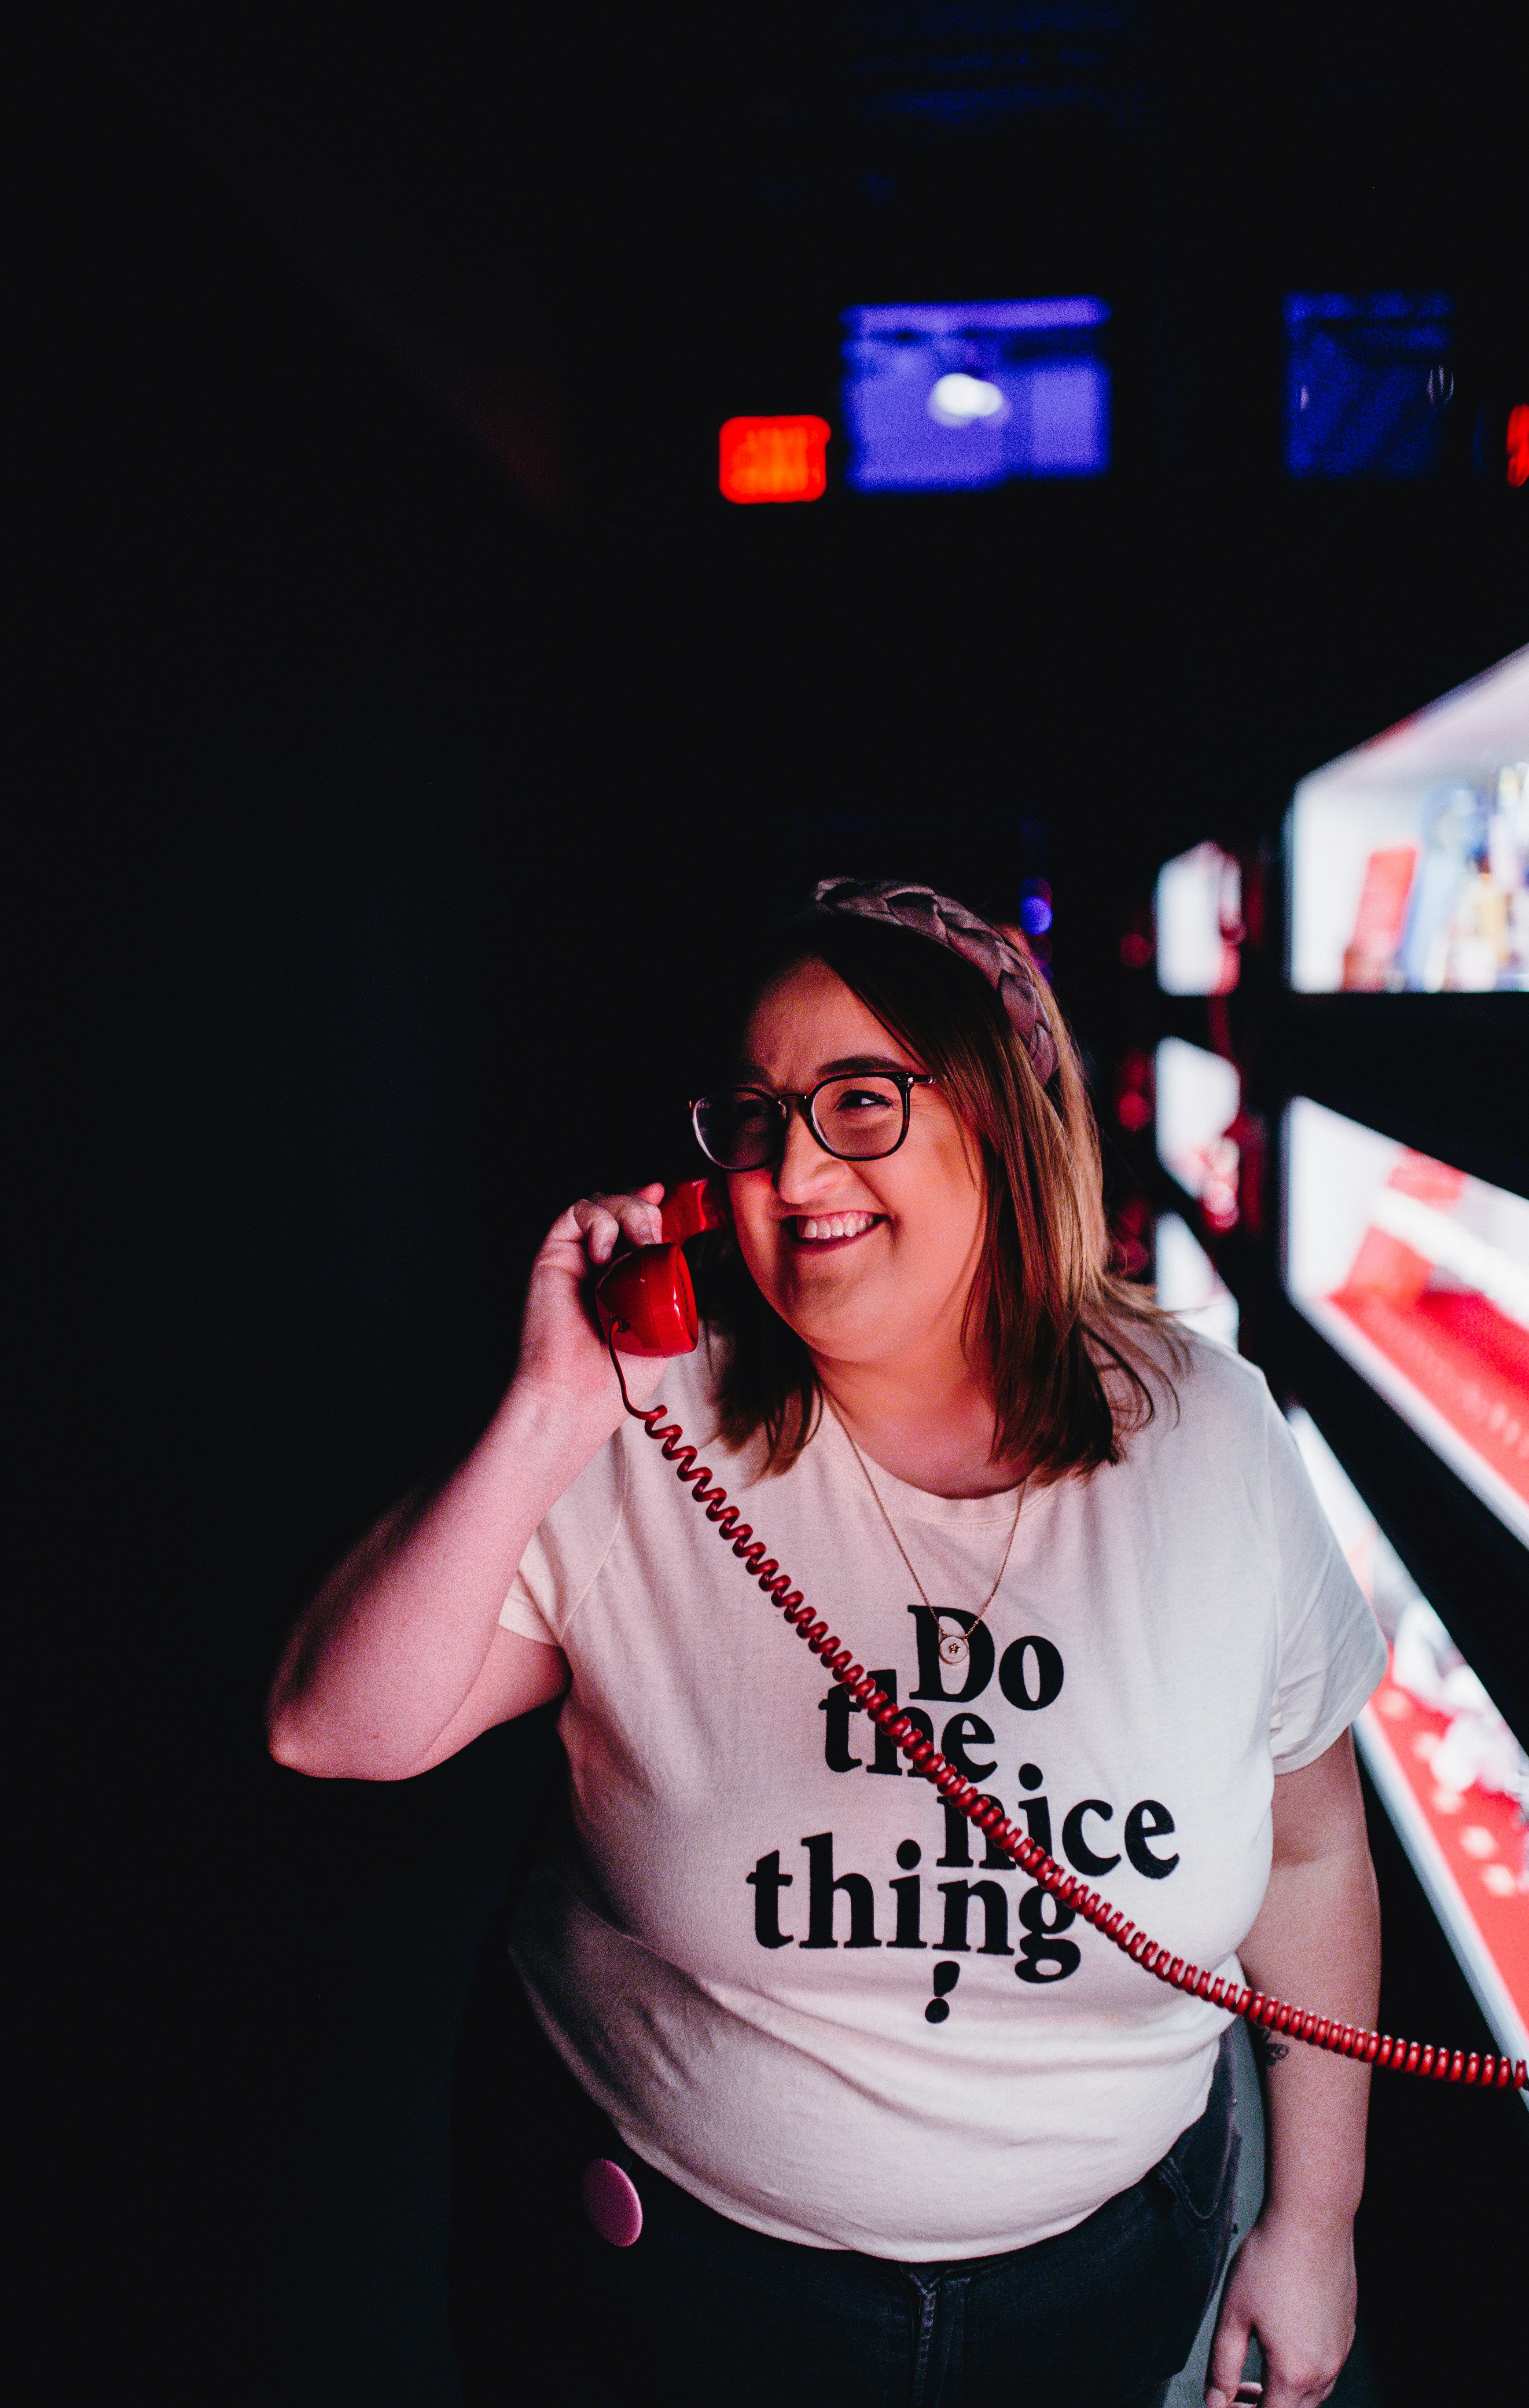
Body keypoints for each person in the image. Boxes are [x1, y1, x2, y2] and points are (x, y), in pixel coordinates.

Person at [268, 876, 1386, 2408]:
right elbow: (335, 1730)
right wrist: (543, 1419)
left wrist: (1317, 2221)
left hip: (1101, 2280)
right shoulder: (649, 1428)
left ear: (998, 1119)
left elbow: (1316, 1856)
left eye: (860, 1100)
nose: (793, 1168)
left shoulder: (1211, 1437)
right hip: (674, 2292)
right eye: (753, 1116)